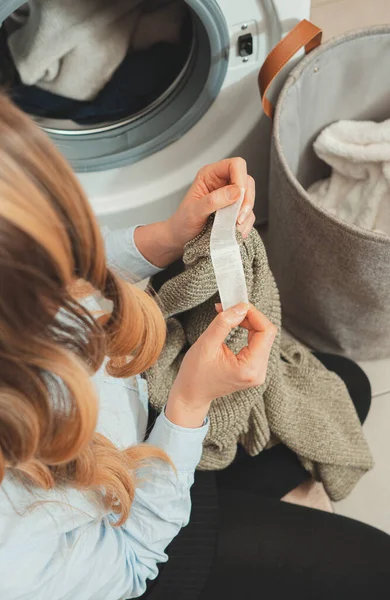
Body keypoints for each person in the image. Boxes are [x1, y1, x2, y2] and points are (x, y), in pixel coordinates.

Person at [0, 93, 388, 600]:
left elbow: (71, 271)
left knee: (349, 386)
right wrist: (189, 404)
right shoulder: (15, 554)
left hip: (137, 435)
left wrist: (163, 238)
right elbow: (133, 559)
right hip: (135, 542)